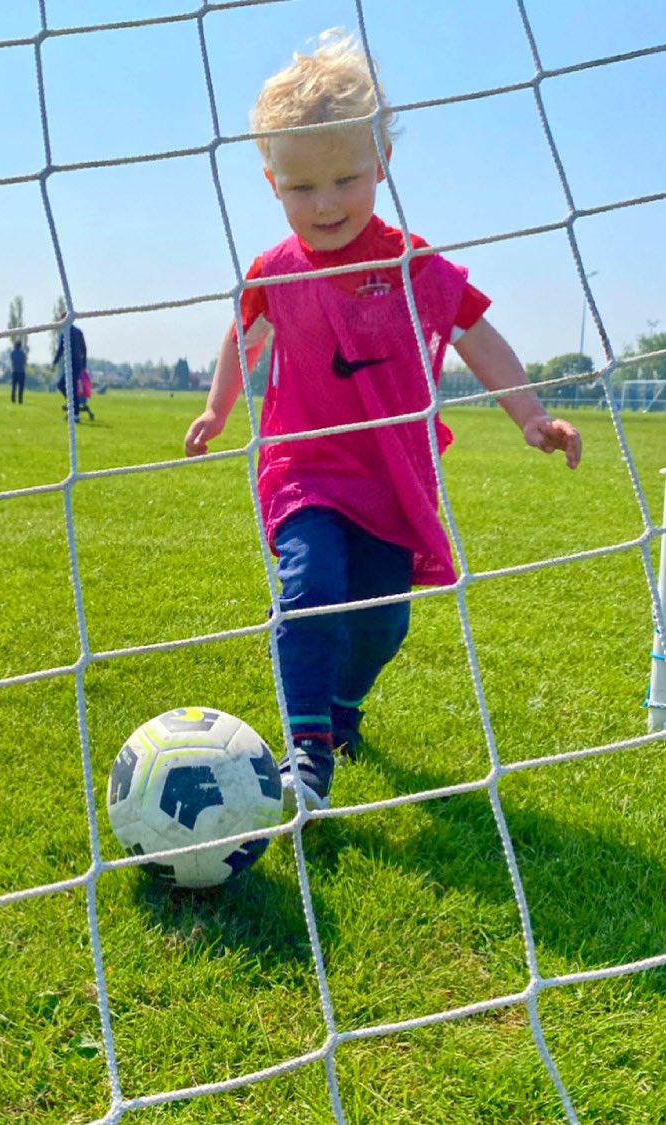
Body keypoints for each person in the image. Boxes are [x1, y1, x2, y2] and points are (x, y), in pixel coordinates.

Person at [183, 31, 581, 813]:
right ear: (270, 181)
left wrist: (531, 415)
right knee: (310, 588)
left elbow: (477, 335)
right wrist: (216, 406)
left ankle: (340, 713)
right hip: (303, 469)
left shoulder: (411, 264)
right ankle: (305, 753)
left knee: (383, 621)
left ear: (381, 166)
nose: (325, 203)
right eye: (302, 187)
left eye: (345, 178)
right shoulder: (273, 270)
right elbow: (244, 332)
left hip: (390, 474)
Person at [52, 315, 87, 421]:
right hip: (78, 363)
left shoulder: (65, 333)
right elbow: (84, 350)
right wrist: (84, 365)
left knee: (63, 385)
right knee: (71, 387)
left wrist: (54, 363)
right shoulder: (79, 332)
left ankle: (74, 411)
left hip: (72, 363)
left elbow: (60, 350)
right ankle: (72, 407)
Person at [10, 339, 27, 404]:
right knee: (21, 387)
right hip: (21, 372)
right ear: (20, 346)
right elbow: (24, 362)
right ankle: (20, 400)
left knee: (14, 387)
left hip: (14, 371)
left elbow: (12, 360)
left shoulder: (12, 353)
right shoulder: (22, 353)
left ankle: (13, 400)